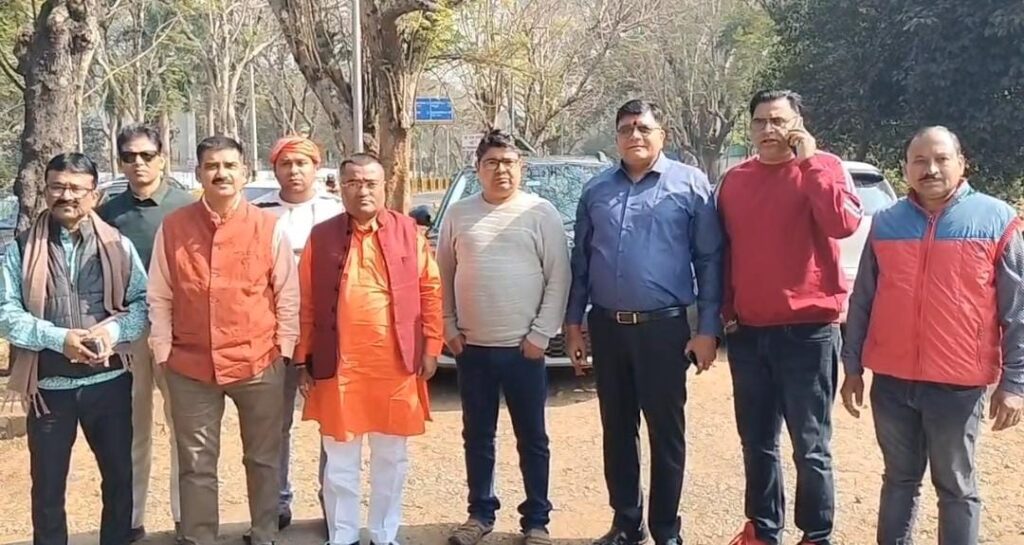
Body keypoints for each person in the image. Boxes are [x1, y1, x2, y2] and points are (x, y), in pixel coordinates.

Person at [840, 126, 1024, 545]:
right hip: (892, 382)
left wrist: (1015, 382)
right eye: (919, 161)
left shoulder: (997, 220)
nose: (931, 169)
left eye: (941, 159)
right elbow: (863, 298)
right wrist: (852, 366)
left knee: (956, 487)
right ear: (905, 168)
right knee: (899, 480)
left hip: (958, 385)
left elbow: (1017, 309)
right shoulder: (886, 223)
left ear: (962, 163)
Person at [565, 99, 723, 545]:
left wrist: (707, 329)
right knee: (617, 429)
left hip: (664, 329)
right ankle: (626, 523)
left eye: (643, 128)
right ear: (616, 137)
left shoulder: (690, 185)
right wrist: (574, 323)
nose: (634, 135)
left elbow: (710, 260)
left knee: (665, 431)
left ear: (661, 135)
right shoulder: (597, 190)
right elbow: (582, 263)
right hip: (608, 327)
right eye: (625, 129)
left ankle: (666, 529)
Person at [716, 90, 862, 545]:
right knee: (757, 442)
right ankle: (763, 529)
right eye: (760, 121)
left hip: (808, 333)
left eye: (778, 121)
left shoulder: (825, 168)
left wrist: (810, 160)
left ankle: (816, 534)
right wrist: (726, 314)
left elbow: (842, 224)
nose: (768, 130)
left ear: (798, 124)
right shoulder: (735, 181)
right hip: (749, 332)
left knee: (810, 445)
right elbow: (724, 253)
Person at [147, 136, 300, 545]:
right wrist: (163, 350)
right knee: (196, 462)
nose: (221, 173)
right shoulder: (174, 227)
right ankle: (199, 537)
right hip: (190, 365)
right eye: (212, 166)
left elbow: (287, 294)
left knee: (263, 457)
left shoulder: (268, 227)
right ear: (198, 173)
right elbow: (159, 294)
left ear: (245, 173)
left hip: (258, 360)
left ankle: (265, 532)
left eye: (230, 165)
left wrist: (284, 351)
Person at [0, 153, 149, 545]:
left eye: (76, 188)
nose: (66, 196)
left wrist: (112, 332)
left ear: (94, 194)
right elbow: (5, 312)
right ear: (46, 190)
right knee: (47, 489)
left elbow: (142, 302)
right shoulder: (21, 248)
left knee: (119, 480)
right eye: (57, 187)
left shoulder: (117, 245)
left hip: (109, 382)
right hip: (49, 389)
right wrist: (58, 338)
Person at [296, 153, 443, 545]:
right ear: (340, 188)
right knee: (340, 461)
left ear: (384, 187)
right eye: (353, 183)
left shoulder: (409, 232)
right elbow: (306, 302)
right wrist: (302, 359)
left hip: (395, 365)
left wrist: (431, 346)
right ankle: (342, 536)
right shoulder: (321, 237)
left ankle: (383, 534)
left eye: (370, 183)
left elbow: (430, 291)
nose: (362, 191)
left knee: (391, 458)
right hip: (339, 367)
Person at [438, 130, 571, 545]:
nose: (501, 170)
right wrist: (448, 327)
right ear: (478, 169)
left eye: (509, 162)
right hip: (473, 349)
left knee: (532, 438)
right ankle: (479, 514)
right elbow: (442, 274)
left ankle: (537, 520)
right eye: (492, 163)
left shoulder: (541, 212)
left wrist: (540, 335)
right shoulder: (458, 214)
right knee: (478, 436)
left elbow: (559, 277)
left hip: (523, 351)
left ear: (521, 167)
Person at [98, 123, 194, 543]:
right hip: (129, 332)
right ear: (120, 161)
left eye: (146, 155)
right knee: (133, 429)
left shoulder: (186, 207)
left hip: (180, 331)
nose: (138, 163)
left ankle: (186, 517)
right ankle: (132, 519)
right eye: (129, 156)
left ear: (162, 159)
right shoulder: (108, 214)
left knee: (184, 428)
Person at [250, 135, 343, 530]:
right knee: (275, 424)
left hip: (328, 333)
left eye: (302, 163)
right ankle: (277, 503)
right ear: (274, 169)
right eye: (286, 164)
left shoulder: (337, 212)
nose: (294, 171)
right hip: (274, 335)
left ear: (316, 168)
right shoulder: (258, 213)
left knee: (333, 424)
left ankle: (333, 503)